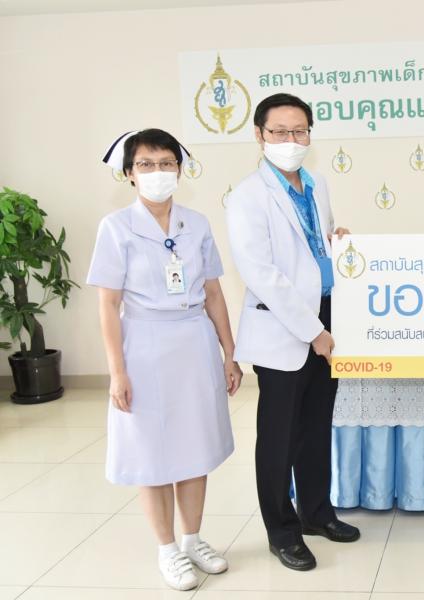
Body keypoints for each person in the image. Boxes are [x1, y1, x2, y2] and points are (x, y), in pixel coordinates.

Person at [89, 129, 242, 590]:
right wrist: (117, 372)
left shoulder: (197, 223)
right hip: (144, 344)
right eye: (146, 164)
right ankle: (167, 549)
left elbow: (213, 292)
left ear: (180, 169)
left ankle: (193, 539)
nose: (158, 172)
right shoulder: (116, 227)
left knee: (195, 446)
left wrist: (229, 352)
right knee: (151, 452)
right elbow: (107, 304)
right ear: (129, 174)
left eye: (166, 163)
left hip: (193, 340)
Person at [226, 93, 358, 572]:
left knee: (316, 427)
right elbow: (262, 273)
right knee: (278, 437)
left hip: (327, 316)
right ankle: (282, 532)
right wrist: (313, 331)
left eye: (300, 130)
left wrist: (337, 245)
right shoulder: (247, 196)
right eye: (280, 131)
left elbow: (311, 247)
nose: (291, 139)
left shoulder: (317, 184)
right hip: (286, 326)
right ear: (259, 135)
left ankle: (317, 513)